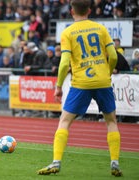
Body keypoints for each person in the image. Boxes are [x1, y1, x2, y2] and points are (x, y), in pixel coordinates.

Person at [37, 0, 122, 177]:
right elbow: (113, 55)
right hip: (103, 81)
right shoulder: (100, 28)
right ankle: (114, 162)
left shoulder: (68, 32)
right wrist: (106, 72)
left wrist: (58, 86)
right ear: (89, 10)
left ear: (71, 11)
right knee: (111, 121)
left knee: (65, 121)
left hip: (81, 82)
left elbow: (64, 64)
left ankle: (56, 162)